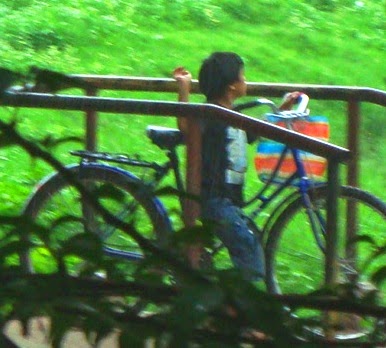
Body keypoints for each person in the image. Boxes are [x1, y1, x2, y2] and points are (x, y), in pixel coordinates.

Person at [173, 52, 299, 281]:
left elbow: (257, 129)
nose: (246, 81)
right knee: (248, 247)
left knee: (245, 242)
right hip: (213, 199)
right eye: (243, 77)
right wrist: (184, 89)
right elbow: (185, 125)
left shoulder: (234, 116)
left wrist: (281, 110)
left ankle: (230, 299)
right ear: (232, 87)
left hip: (227, 199)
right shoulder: (210, 115)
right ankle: (238, 305)